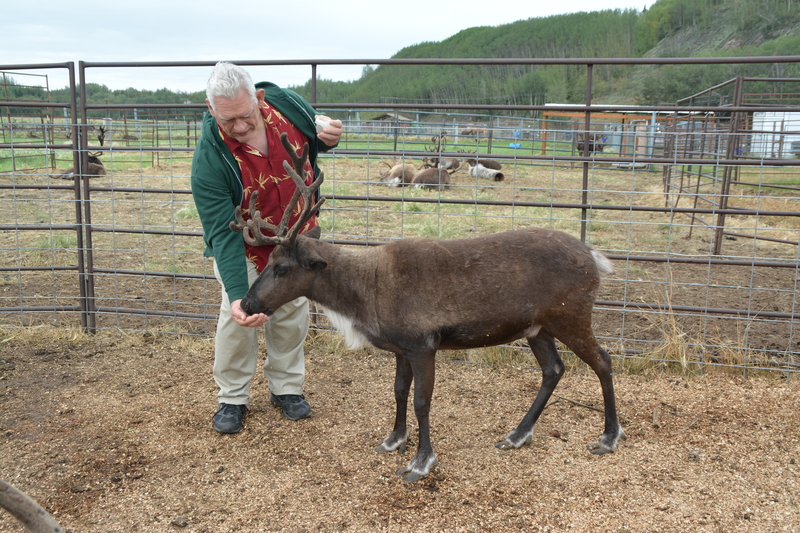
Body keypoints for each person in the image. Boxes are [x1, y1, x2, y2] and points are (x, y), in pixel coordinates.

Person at [191, 62, 342, 433]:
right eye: (228, 122)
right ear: (211, 110)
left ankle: (286, 388)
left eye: (246, 116)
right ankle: (232, 396)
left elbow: (318, 132)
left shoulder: (287, 106)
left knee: (291, 313)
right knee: (237, 317)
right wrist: (240, 295)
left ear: (259, 99)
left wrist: (330, 135)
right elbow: (220, 232)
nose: (239, 128)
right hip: (245, 247)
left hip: (296, 237)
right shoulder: (209, 161)